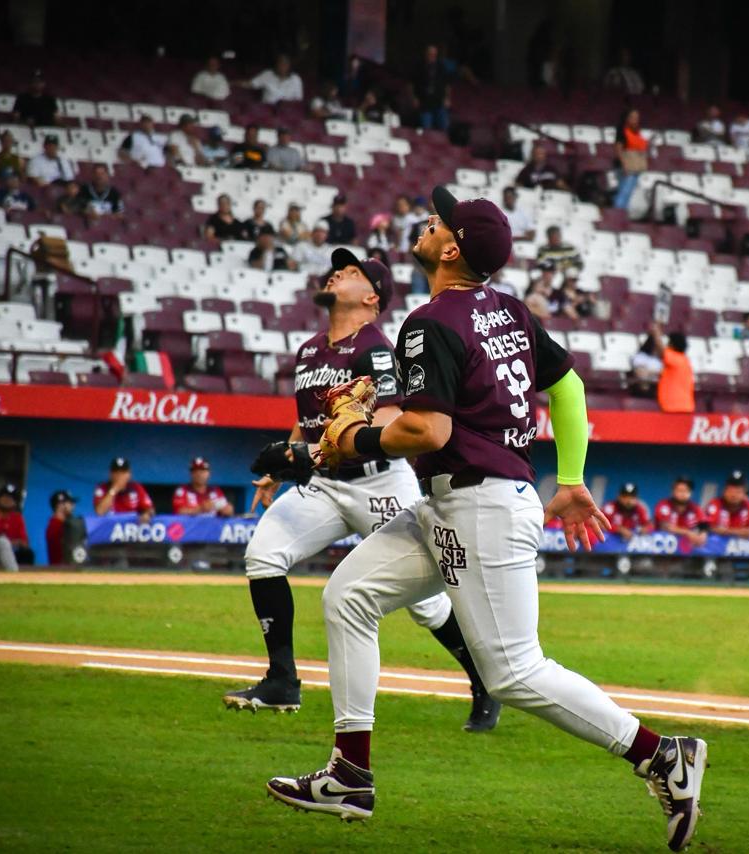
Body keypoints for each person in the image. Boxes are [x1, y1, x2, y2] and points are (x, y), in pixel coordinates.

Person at [264, 187, 707, 850]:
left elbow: (427, 429)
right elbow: (570, 386)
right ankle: (350, 773)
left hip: (479, 503)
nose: (428, 221)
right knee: (348, 596)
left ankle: (660, 754)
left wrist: (352, 438)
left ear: (450, 248)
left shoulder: (430, 320)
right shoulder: (509, 309)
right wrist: (572, 476)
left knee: (514, 672)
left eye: (439, 220)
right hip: (462, 499)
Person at [234, 248, 496, 730]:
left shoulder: (374, 346)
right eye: (339, 268)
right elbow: (308, 419)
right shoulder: (310, 349)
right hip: (325, 483)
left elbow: (385, 419)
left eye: (352, 272)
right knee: (263, 554)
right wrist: (285, 463)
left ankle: (483, 681)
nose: (338, 273)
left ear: (372, 297)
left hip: (378, 481)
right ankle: (281, 681)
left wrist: (306, 455)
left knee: (427, 605)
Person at [93, 457, 154, 523]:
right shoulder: (102, 488)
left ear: (129, 474)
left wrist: (147, 514)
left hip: (130, 531)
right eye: (116, 472)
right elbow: (100, 512)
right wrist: (114, 489)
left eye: (123, 472)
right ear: (110, 474)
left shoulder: (136, 488)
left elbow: (150, 509)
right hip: (109, 531)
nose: (120, 475)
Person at [655, 476, 708, 548]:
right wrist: (687, 533)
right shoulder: (663, 505)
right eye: (679, 490)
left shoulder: (695, 508)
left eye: (686, 491)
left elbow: (704, 523)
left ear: (691, 493)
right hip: (661, 551)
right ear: (673, 491)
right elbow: (665, 527)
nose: (683, 494)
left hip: (686, 552)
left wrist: (703, 533)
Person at [704, 471, 749, 538]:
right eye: (730, 490)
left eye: (738, 492)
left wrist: (726, 531)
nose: (733, 495)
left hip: (740, 546)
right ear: (724, 492)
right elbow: (710, 527)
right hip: (716, 545)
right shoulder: (715, 503)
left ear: (745, 494)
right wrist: (741, 532)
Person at [613, 108, 648, 210]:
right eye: (632, 117)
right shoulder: (622, 130)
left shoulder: (636, 132)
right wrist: (624, 165)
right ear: (627, 118)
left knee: (627, 193)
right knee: (624, 193)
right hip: (626, 166)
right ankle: (617, 214)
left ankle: (622, 214)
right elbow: (618, 149)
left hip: (635, 166)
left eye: (637, 117)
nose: (635, 119)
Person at [414, 44, 452, 130]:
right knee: (426, 128)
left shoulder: (441, 67)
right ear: (426, 54)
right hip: (424, 102)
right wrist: (414, 98)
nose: (432, 56)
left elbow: (447, 85)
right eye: (430, 54)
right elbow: (411, 84)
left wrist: (447, 98)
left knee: (444, 128)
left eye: (434, 54)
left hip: (439, 101)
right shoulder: (419, 66)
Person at [657, 329, 694, 414]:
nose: (666, 345)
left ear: (672, 345)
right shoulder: (685, 360)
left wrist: (656, 333)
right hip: (686, 406)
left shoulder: (675, 358)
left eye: (668, 343)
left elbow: (662, 351)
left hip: (673, 407)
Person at [0, 483, 33, 566]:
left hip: (12, 551)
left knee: (28, 553)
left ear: (15, 502)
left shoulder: (17, 518)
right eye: (5, 496)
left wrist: (13, 543)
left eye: (11, 498)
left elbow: (24, 543)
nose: (7, 500)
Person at [45, 489, 81, 566]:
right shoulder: (56, 525)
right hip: (61, 570)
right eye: (70, 503)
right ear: (60, 505)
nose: (73, 506)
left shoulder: (62, 524)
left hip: (66, 568)